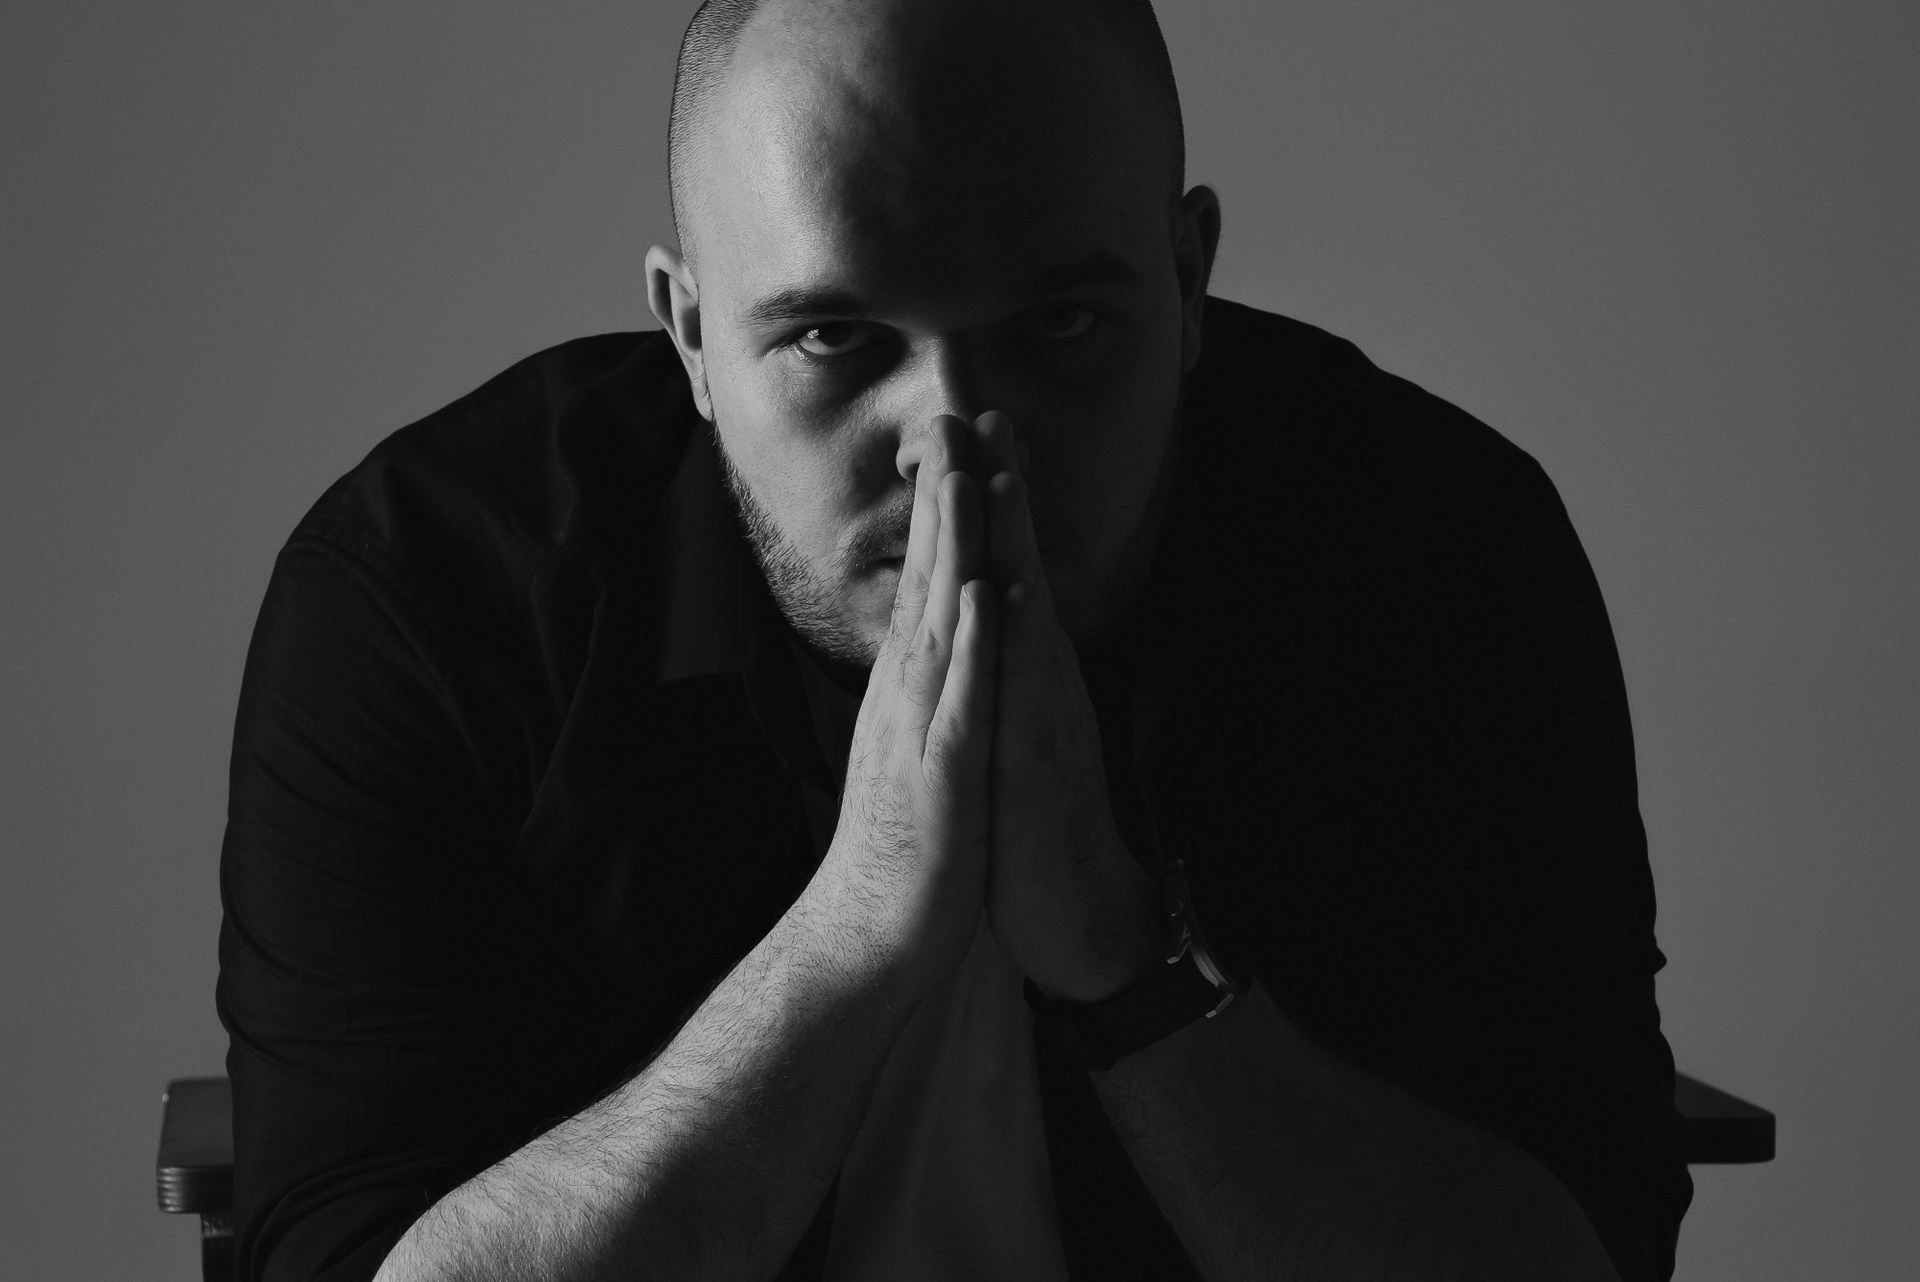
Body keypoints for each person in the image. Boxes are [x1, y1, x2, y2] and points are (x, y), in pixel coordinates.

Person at [216, 0, 1693, 1278]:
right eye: (834, 337)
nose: (957, 441)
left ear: (1188, 285)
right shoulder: (428, 604)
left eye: (1058, 326)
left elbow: (1583, 1244)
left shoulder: (1433, 556)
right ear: (693, 338)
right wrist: (854, 933)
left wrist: (1125, 962)